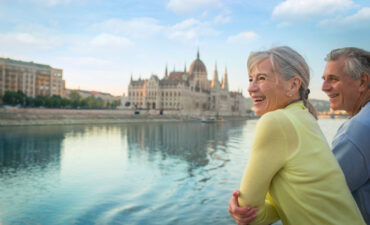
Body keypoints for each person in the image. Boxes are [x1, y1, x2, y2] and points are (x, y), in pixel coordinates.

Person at [228, 47, 370, 225]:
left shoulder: (275, 121)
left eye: (261, 78)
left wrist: (248, 211)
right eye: (250, 79)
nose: (250, 88)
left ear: (293, 85)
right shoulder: (305, 117)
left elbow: (248, 211)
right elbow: (310, 194)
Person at [322, 47, 370, 224]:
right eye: (324, 79)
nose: (324, 87)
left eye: (333, 79)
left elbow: (321, 195)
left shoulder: (359, 129)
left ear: (362, 82)